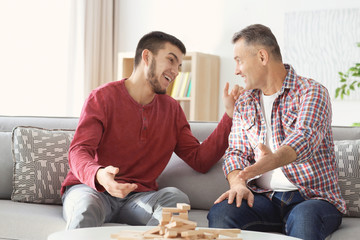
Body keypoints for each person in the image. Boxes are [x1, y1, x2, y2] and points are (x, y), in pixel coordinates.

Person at [61, 31, 241, 229]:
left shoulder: (172, 109)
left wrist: (229, 115)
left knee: (176, 198)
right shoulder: (102, 98)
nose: (175, 71)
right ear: (146, 57)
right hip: (92, 191)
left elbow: (200, 160)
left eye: (179, 66)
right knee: (86, 206)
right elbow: (78, 150)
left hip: (138, 199)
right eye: (171, 61)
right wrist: (99, 174)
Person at [207, 24, 346, 240]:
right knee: (222, 213)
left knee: (304, 220)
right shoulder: (245, 101)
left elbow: (305, 139)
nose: (236, 70)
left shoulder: (312, 92)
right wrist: (238, 182)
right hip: (264, 198)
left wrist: (264, 164)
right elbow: (235, 152)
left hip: (311, 198)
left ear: (262, 56)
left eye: (239, 61)